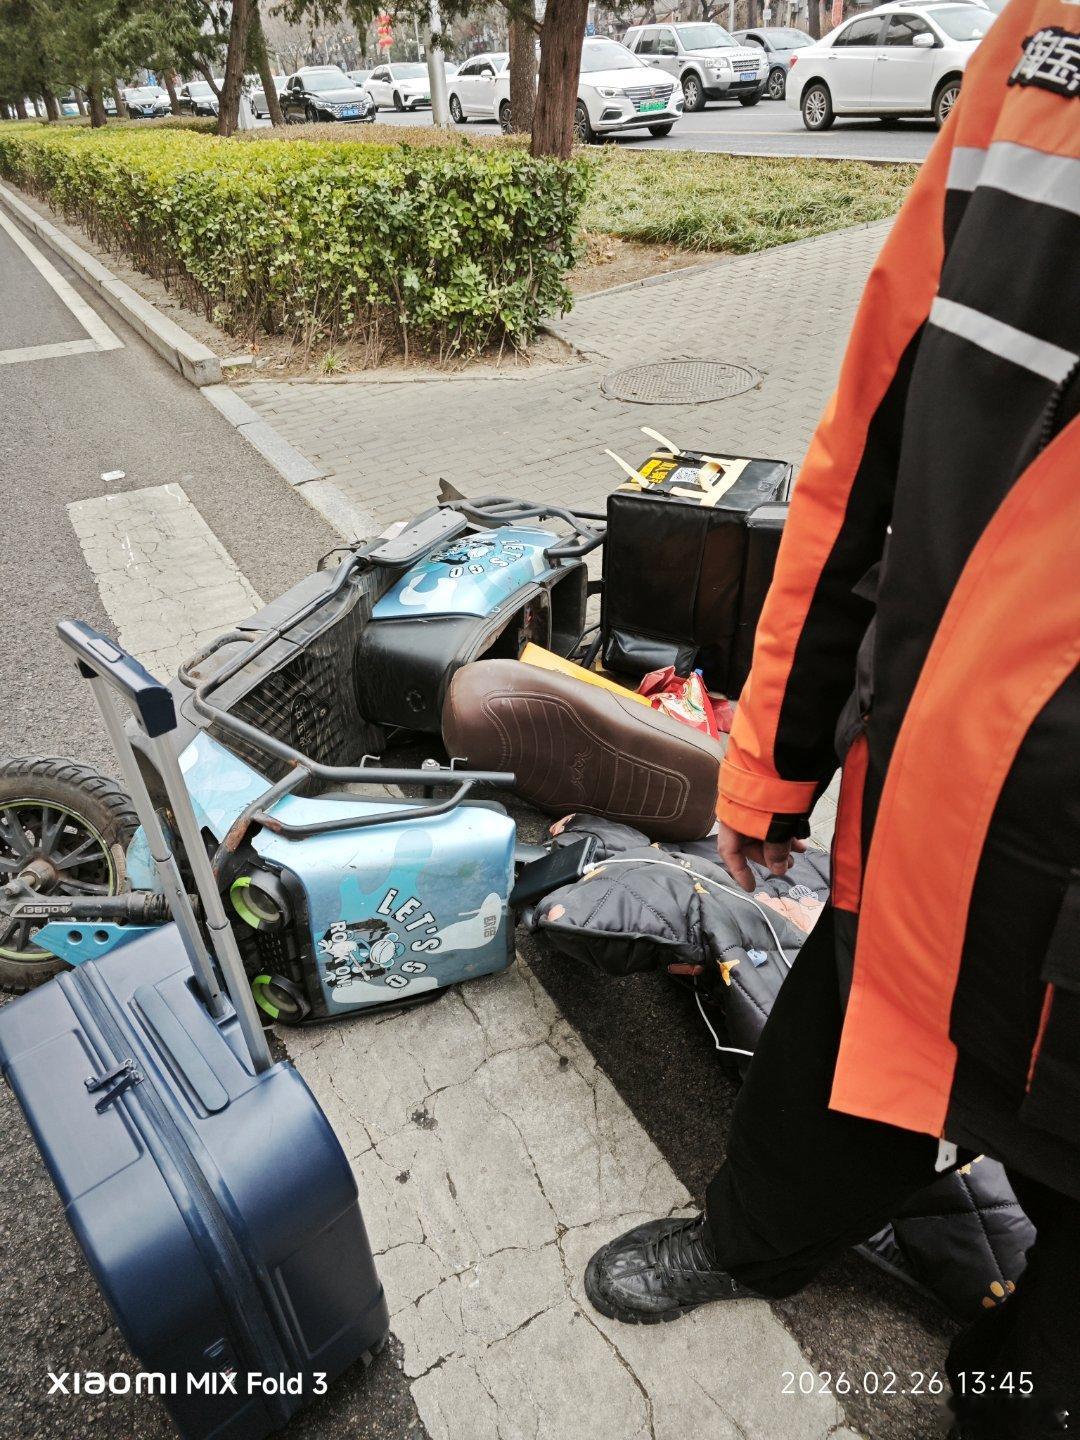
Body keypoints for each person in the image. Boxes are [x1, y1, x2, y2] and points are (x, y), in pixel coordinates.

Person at [583, 1, 1080, 1435]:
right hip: (945, 805)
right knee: (841, 1059)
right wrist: (774, 756)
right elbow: (872, 428)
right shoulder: (1043, 46)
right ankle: (758, 1241)